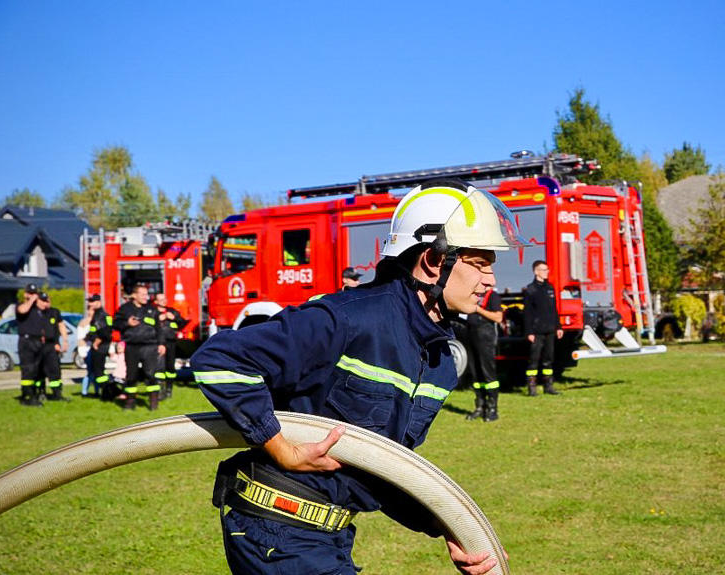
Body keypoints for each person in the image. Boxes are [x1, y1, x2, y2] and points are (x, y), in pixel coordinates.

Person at [191, 179, 528, 575]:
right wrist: (281, 447)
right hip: (275, 529)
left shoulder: (437, 361)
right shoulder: (348, 318)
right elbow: (220, 359)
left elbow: (381, 464)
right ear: (434, 261)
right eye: (478, 263)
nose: (490, 280)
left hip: (330, 534)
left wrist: (448, 526)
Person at [113, 284, 165, 411]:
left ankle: (153, 404)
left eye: (146, 294)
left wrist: (161, 344)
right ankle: (130, 403)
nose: (145, 297)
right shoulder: (125, 309)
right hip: (132, 346)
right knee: (131, 376)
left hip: (149, 346)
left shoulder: (152, 310)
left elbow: (159, 328)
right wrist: (127, 323)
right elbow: (116, 324)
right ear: (135, 295)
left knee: (151, 374)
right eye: (142, 294)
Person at [523, 260, 563, 396]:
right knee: (534, 360)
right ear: (536, 271)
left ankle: (548, 386)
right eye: (543, 270)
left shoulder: (550, 288)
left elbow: (554, 310)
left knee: (548, 359)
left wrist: (558, 327)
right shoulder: (530, 290)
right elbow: (527, 313)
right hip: (536, 331)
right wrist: (529, 332)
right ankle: (532, 388)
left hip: (550, 330)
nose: (546, 272)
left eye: (547, 270)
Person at [464, 287, 503, 422]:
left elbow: (498, 317)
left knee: (488, 372)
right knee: (475, 372)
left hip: (485, 332)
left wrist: (478, 309)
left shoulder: (493, 296)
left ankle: (492, 409)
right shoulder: (473, 294)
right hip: (471, 332)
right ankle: (480, 406)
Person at [33, 292, 69, 401]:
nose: (46, 303)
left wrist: (64, 340)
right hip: (38, 346)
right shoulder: (35, 313)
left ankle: (57, 394)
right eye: (43, 301)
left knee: (55, 371)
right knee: (39, 371)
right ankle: (40, 392)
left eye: (47, 301)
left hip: (51, 345)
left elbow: (61, 325)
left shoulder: (54, 312)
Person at [154, 291, 188, 399]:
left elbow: (182, 322)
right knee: (158, 367)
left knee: (170, 367)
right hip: (157, 343)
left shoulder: (172, 311)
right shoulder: (152, 312)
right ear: (156, 302)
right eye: (161, 299)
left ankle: (169, 389)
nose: (164, 301)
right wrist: (157, 319)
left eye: (165, 299)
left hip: (170, 342)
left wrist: (174, 318)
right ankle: (160, 390)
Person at [16, 284, 45, 407]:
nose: (33, 295)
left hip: (37, 341)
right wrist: (31, 299)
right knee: (27, 370)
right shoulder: (21, 306)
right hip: (26, 341)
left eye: (35, 293)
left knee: (36, 370)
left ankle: (34, 393)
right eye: (30, 293)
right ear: (26, 294)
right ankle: (27, 397)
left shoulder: (37, 309)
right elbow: (22, 310)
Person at [81, 294, 112, 397]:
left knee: (99, 372)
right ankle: (105, 391)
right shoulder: (97, 315)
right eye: (89, 301)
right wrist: (87, 337)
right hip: (97, 346)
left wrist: (96, 342)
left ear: (99, 302)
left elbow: (106, 332)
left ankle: (109, 391)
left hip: (100, 347)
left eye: (92, 301)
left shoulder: (102, 315)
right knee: (97, 371)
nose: (90, 303)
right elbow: (94, 330)